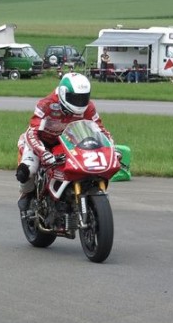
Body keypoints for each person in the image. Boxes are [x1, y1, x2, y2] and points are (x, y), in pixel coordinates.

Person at [15, 73, 114, 216]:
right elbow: (32, 132)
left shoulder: (88, 107)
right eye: (75, 98)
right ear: (63, 93)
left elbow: (100, 130)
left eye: (83, 97)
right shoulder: (46, 104)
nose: (80, 102)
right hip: (40, 142)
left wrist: (111, 149)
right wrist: (43, 153)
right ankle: (27, 195)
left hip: (68, 142)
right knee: (26, 170)